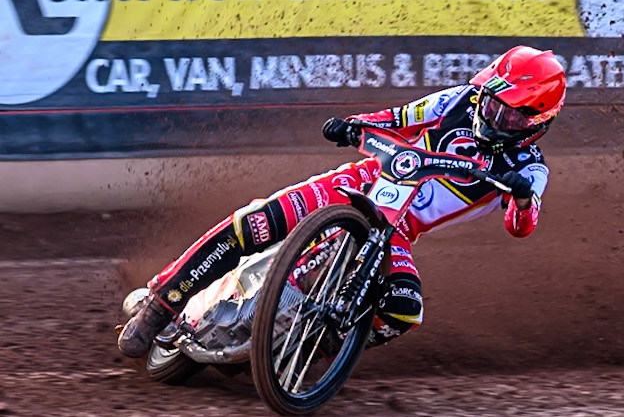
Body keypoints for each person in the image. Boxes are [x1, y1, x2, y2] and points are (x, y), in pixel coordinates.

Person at [118, 45, 566, 357]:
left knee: (404, 310)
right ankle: (161, 304)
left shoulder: (530, 169)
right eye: (491, 101)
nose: (490, 113)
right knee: (257, 222)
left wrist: (523, 197)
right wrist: (353, 125)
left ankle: (317, 348)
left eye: (507, 112)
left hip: (398, 233)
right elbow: (400, 118)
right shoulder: (462, 101)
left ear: (535, 122)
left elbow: (520, 225)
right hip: (364, 180)